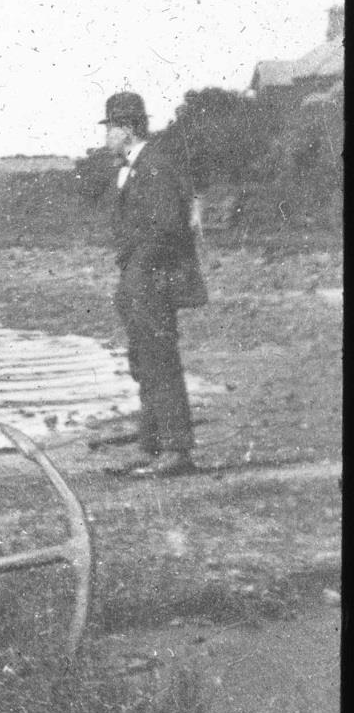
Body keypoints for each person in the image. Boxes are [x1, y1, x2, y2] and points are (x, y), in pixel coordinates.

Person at [76, 92, 202, 476]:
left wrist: (136, 277)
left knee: (160, 361)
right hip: (140, 280)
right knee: (145, 361)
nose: (106, 139)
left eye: (110, 130)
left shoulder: (155, 166)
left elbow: (166, 230)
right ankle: (153, 447)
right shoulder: (133, 166)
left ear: (126, 130)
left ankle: (176, 451)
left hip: (152, 280)